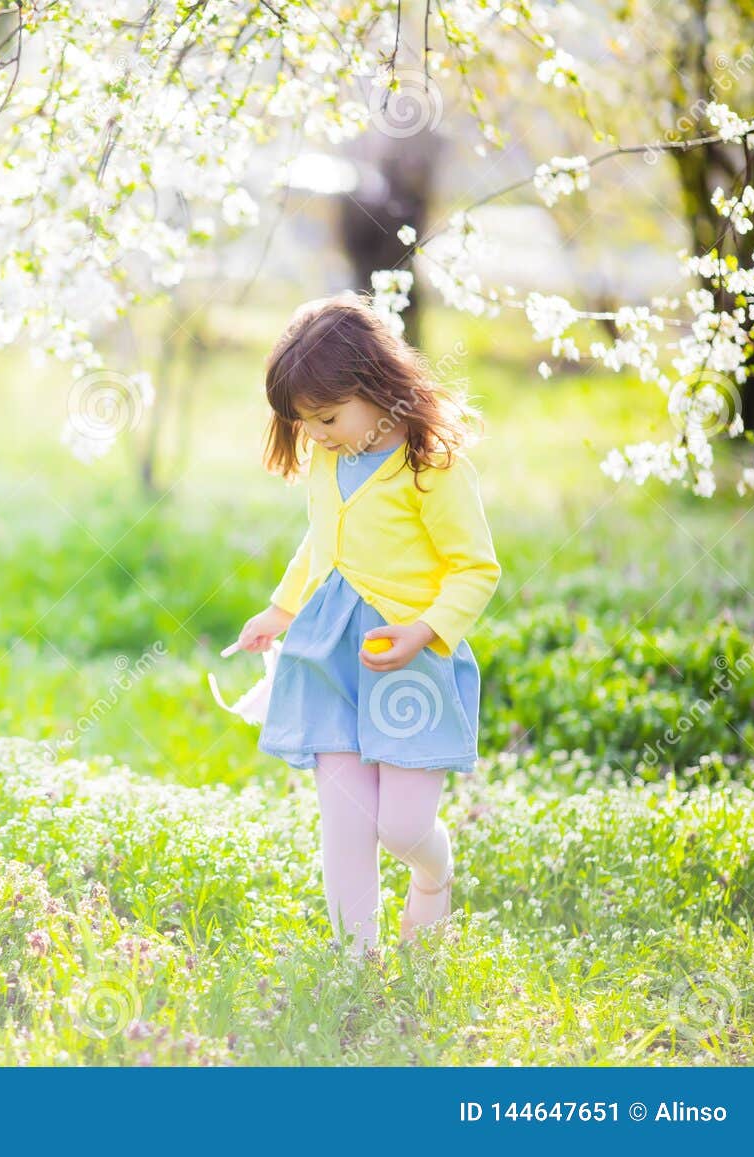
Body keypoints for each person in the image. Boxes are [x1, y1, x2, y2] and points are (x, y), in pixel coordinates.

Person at [235, 292, 502, 959]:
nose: (317, 434)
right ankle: (356, 963)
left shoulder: (430, 465)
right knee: (347, 823)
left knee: (403, 827)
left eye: (327, 416)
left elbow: (476, 568)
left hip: (409, 661)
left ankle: (433, 873)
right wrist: (282, 608)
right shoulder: (328, 458)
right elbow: (320, 543)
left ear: (377, 385)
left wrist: (428, 629)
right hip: (332, 657)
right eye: (305, 422)